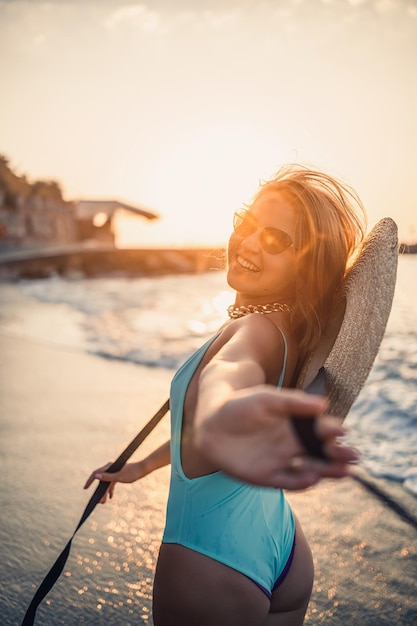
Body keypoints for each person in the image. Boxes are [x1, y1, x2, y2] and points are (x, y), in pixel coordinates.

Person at [84, 164, 366, 626]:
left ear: (305, 265)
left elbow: (227, 378)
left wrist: (219, 410)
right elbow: (200, 430)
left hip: (211, 552)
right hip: (280, 544)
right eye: (247, 223)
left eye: (276, 240)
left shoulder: (255, 329)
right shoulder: (290, 332)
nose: (251, 242)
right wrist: (141, 466)